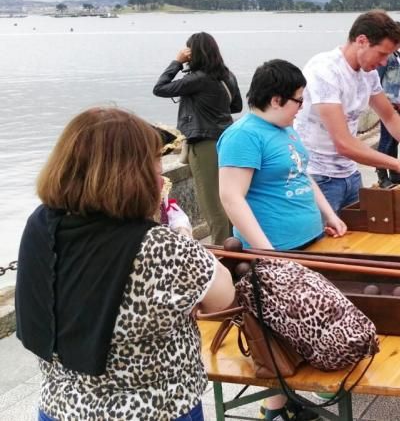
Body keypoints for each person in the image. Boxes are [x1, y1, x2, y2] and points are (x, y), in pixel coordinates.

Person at [17, 107, 236, 420]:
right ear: (136, 171)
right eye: (156, 159)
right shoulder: (158, 245)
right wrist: (183, 241)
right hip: (155, 408)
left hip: (61, 406)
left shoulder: (40, 224)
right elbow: (224, 295)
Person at [217, 59, 347, 419]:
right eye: (298, 101)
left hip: (308, 241)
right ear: (276, 99)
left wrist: (329, 215)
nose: (301, 108)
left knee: (306, 328)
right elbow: (231, 197)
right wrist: (266, 252)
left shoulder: (285, 128)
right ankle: (275, 407)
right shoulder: (244, 135)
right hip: (275, 250)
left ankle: (287, 402)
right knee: (281, 334)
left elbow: (302, 176)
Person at [296, 10, 400, 211]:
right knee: (324, 242)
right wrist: (399, 165)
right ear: (361, 41)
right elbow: (344, 144)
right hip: (318, 177)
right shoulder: (324, 71)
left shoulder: (368, 73)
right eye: (382, 54)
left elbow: (389, 116)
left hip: (350, 174)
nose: (383, 63)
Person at [152, 32, 241, 244]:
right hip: (226, 141)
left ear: (193, 53)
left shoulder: (197, 79)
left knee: (212, 204)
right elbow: (236, 106)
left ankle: (221, 254)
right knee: (228, 199)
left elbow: (160, 88)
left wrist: (176, 62)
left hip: (204, 145)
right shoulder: (226, 75)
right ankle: (235, 248)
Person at [375, 21, 400, 188]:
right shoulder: (387, 57)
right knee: (386, 141)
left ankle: (395, 173)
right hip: (388, 105)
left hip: (399, 104)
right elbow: (377, 79)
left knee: (394, 140)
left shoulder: (398, 55)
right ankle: (382, 175)